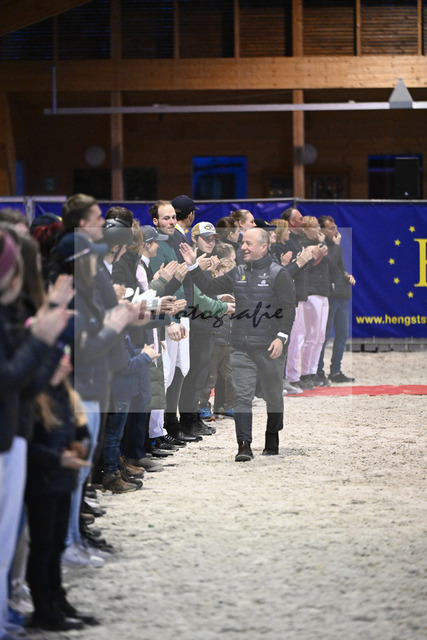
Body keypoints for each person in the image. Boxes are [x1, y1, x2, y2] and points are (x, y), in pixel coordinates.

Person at [179, 227, 296, 462]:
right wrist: (192, 266)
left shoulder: (279, 274)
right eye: (243, 243)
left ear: (264, 247)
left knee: (273, 397)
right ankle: (244, 445)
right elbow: (210, 287)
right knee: (242, 397)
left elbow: (288, 309)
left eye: (248, 243)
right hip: (241, 347)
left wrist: (281, 337)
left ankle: (272, 435)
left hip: (270, 347)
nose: (243, 247)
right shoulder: (238, 272)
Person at [317, 215, 356, 383]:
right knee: (324, 336)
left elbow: (339, 268)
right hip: (329, 295)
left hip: (341, 293)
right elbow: (329, 264)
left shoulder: (334, 245)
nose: (335, 231)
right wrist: (338, 247)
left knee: (342, 334)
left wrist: (346, 275)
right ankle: (317, 370)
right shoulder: (321, 245)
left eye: (335, 227)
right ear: (322, 230)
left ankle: (335, 371)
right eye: (331, 228)